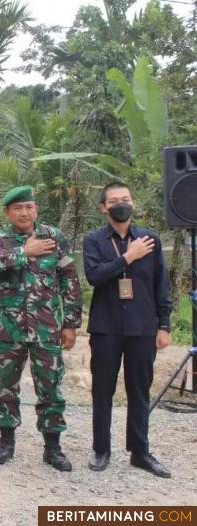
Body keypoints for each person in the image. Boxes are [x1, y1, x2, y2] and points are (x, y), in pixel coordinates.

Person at [0, 185, 82, 472]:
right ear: (7, 213)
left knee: (50, 386)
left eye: (28, 207)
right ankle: (6, 442)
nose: (24, 212)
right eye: (17, 208)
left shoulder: (54, 237)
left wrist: (71, 324)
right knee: (5, 386)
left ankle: (53, 447)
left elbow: (69, 280)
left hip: (47, 329)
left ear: (36, 209)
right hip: (9, 330)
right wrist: (24, 251)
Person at [83, 182, 172, 478]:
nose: (121, 204)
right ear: (103, 207)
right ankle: (101, 449)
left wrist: (164, 324)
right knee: (103, 390)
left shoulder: (150, 239)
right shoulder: (94, 240)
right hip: (106, 326)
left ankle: (140, 451)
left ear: (133, 203)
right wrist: (127, 257)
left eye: (126, 199)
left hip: (142, 327)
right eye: (114, 200)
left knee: (139, 390)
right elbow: (94, 276)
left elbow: (161, 284)